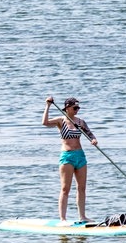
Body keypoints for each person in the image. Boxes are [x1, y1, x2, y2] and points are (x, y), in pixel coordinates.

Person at [42, 96, 98, 224]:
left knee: (82, 188)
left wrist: (93, 140)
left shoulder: (80, 122)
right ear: (67, 108)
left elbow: (90, 134)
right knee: (65, 189)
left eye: (78, 107)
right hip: (67, 156)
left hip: (80, 156)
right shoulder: (60, 121)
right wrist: (48, 105)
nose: (77, 110)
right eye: (75, 107)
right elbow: (44, 123)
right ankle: (63, 219)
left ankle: (82, 216)